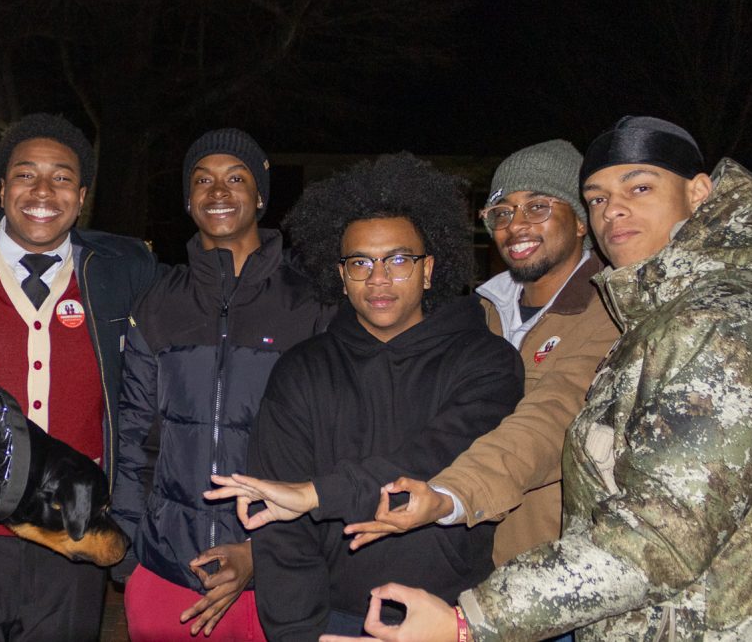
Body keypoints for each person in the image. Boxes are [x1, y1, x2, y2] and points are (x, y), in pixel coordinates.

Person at [335, 116, 752, 642]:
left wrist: (470, 612)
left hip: (567, 593)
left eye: (640, 187)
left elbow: (561, 426)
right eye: (598, 197)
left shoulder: (709, 318)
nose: (615, 209)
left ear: (699, 193)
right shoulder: (480, 312)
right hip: (514, 581)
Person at [206, 153, 524, 640]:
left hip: (455, 620)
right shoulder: (302, 370)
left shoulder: (487, 361)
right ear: (341, 275)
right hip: (334, 620)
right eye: (361, 262)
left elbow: (433, 455)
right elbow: (279, 528)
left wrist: (316, 494)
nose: (378, 279)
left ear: (428, 269)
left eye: (398, 260)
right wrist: (299, 635)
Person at [0, 113, 159, 641]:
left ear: (82, 195)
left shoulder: (123, 270)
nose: (43, 190)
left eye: (62, 177)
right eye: (25, 174)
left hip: (73, 534)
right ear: (0, 189)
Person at [341, 140, 618, 576]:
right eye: (502, 212)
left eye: (538, 207)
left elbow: (553, 419)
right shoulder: (478, 313)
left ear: (581, 221)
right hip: (464, 569)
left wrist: (452, 495)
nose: (516, 225)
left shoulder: (610, 313)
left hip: (557, 573)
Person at [110, 129, 332, 640]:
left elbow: (329, 449)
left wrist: (261, 553)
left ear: (259, 196)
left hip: (273, 577)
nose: (218, 192)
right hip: (167, 567)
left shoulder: (312, 302)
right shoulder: (158, 301)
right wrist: (128, 545)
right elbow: (135, 437)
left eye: (236, 178)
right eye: (203, 180)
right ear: (188, 200)